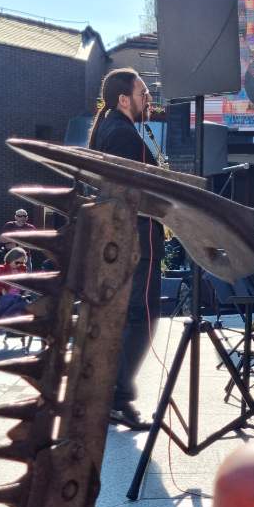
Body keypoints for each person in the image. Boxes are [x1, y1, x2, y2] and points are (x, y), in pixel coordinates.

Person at [88, 68, 162, 429]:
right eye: (143, 93)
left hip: (123, 239)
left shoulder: (109, 129)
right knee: (143, 318)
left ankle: (109, 395)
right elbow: (132, 194)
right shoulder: (123, 135)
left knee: (127, 320)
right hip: (139, 239)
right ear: (123, 99)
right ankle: (118, 399)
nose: (148, 99)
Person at [0, 248, 33, 323]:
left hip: (19, 296)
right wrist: (1, 289)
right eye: (17, 262)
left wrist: (27, 290)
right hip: (4, 297)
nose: (19, 265)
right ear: (11, 259)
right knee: (21, 303)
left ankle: (4, 320)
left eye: (22, 263)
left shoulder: (22, 269)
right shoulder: (1, 269)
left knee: (23, 301)